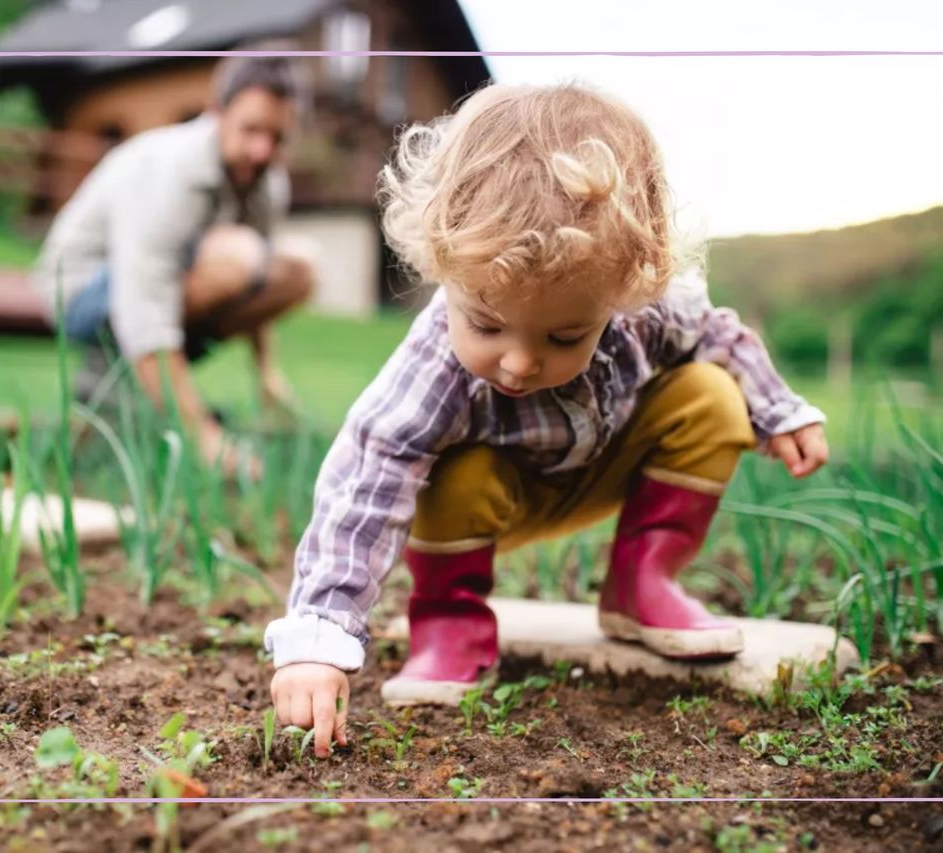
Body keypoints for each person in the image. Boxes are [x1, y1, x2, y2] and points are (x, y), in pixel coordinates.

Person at [263, 83, 830, 758]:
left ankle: (642, 582)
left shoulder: (643, 307)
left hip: (602, 466)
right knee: (442, 467)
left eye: (565, 336)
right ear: (445, 270)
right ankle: (449, 620)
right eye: (487, 323)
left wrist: (778, 409)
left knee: (710, 392)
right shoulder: (434, 362)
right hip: (489, 502)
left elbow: (721, 335)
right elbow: (366, 477)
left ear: (621, 291)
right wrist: (319, 637)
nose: (519, 362)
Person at [31, 53, 316, 475]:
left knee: (297, 273)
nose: (262, 150)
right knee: (237, 254)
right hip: (80, 291)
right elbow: (144, 302)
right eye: (251, 130)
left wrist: (266, 375)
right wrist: (203, 436)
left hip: (160, 287)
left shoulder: (266, 181)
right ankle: (116, 385)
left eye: (277, 137)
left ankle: (142, 390)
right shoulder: (169, 170)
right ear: (216, 113)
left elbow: (258, 279)